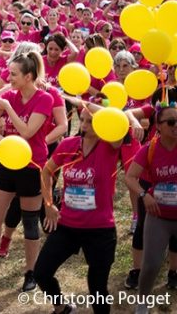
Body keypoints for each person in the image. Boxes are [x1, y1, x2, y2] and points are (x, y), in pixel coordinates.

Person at [0, 51, 53, 292]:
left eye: (14, 74)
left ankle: (31, 272)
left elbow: (27, 132)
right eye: (9, 73)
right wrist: (4, 142)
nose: (9, 78)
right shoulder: (7, 95)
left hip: (32, 166)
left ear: (29, 76)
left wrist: (9, 108)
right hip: (8, 165)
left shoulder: (44, 99)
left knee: (29, 222)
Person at [33, 100, 122, 314]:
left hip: (100, 229)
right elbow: (46, 172)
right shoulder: (68, 145)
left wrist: (92, 107)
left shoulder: (111, 146)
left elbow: (118, 120)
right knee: (42, 272)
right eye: (82, 120)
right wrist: (48, 205)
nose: (84, 125)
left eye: (91, 121)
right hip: (67, 226)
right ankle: (61, 307)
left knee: (97, 287)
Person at [126, 103, 177, 313]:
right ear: (159, 125)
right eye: (171, 122)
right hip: (159, 216)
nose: (176, 126)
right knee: (151, 265)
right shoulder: (150, 149)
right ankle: (142, 302)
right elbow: (130, 177)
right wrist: (144, 195)